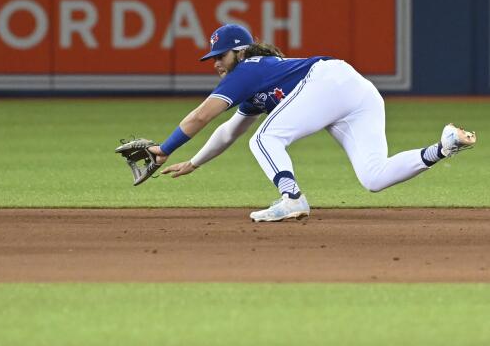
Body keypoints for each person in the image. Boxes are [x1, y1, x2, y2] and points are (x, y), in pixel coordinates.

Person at [148, 24, 477, 222]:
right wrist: (194, 162)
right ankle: (443, 146)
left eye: (221, 56)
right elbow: (228, 130)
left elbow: (201, 116)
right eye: (213, 58)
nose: (216, 63)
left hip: (327, 79)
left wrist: (164, 149)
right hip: (356, 91)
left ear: (240, 51)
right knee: (374, 177)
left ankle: (291, 198)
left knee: (264, 139)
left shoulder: (247, 69)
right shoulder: (254, 79)